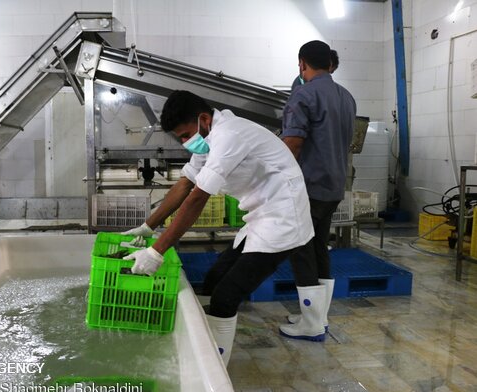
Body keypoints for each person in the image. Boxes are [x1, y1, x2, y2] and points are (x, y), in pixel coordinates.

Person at [122, 90, 314, 365]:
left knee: (226, 295)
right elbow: (185, 184)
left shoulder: (229, 135)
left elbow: (198, 197)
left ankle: (214, 368)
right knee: (213, 280)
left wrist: (156, 252)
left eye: (186, 135)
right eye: (182, 138)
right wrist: (147, 227)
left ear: (203, 119)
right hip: (260, 215)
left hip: (283, 217)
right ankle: (204, 342)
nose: (186, 143)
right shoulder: (208, 139)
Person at [280, 40, 356, 341]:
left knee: (301, 251)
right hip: (335, 185)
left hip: (308, 187)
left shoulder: (304, 95)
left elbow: (293, 144)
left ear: (301, 63)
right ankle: (317, 316)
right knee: (320, 248)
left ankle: (311, 325)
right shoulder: (347, 97)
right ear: (330, 63)